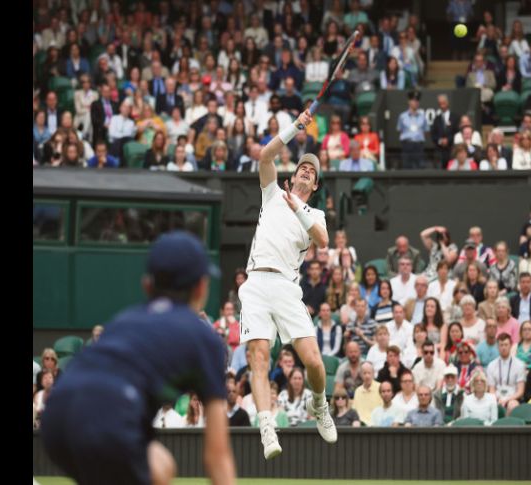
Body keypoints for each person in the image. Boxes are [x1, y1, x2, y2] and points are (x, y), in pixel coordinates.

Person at [40, 232, 236, 485]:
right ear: (201, 286)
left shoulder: (124, 320)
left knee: (159, 464)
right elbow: (217, 457)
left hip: (56, 417)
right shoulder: (205, 338)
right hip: (110, 420)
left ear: (147, 285)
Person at [239, 109, 337, 459]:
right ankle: (267, 427)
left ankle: (320, 405)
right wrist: (293, 129)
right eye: (302, 167)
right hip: (255, 285)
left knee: (314, 363)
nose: (306, 170)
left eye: (312, 171)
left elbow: (323, 240)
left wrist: (297, 206)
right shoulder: (270, 194)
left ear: (314, 185)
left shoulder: (315, 214)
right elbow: (265, 155)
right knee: (259, 357)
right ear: (294, 174)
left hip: (285, 288)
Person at [487, 334, 526, 416]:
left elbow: (520, 391)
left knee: (513, 405)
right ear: (497, 347)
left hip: (513, 397)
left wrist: (507, 399)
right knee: (490, 404)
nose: (503, 348)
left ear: (511, 345)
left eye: (506, 345)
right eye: (501, 345)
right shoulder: (491, 365)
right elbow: (491, 389)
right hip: (497, 397)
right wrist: (498, 399)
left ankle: (506, 426)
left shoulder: (520, 364)